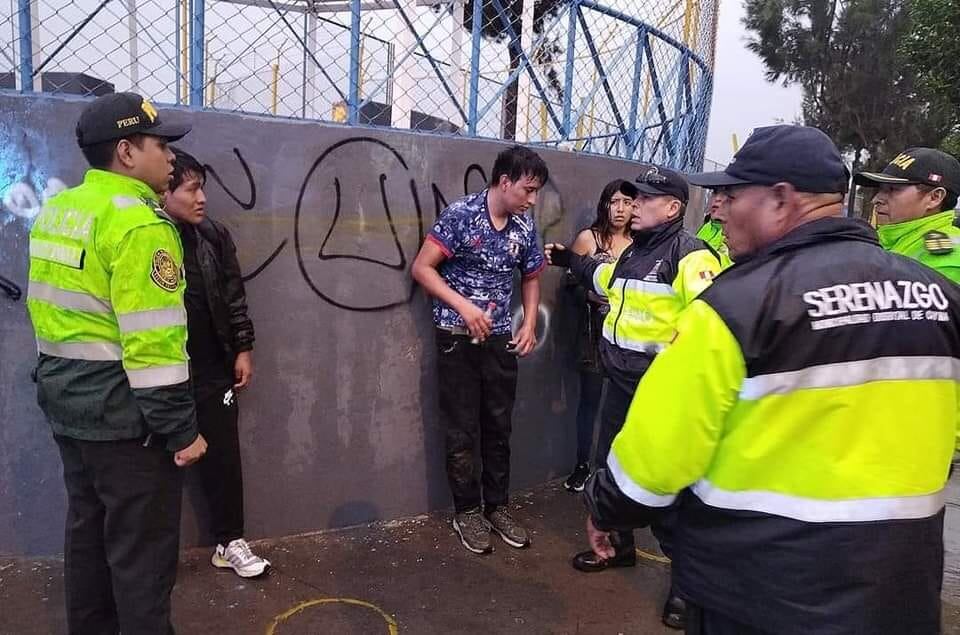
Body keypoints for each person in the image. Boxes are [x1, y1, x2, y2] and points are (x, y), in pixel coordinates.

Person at [583, 124, 960, 635]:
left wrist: (606, 508)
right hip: (897, 587)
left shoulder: (738, 303)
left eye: (732, 194)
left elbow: (658, 452)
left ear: (780, 199)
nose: (719, 208)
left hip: (761, 588)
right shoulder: (938, 295)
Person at [25, 92, 207, 634]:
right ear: (127, 152)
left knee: (88, 542)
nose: (171, 157)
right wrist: (181, 433)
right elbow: (154, 349)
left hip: (68, 409)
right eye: (161, 144)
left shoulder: (59, 209)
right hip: (126, 423)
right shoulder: (141, 226)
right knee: (142, 563)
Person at [546, 166, 721, 630]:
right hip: (619, 383)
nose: (633, 205)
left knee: (665, 485)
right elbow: (604, 279)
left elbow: (710, 325)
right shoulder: (634, 253)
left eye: (643, 199)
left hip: (659, 393)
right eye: (631, 198)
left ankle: (685, 587)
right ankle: (618, 546)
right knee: (610, 471)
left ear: (672, 208)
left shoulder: (691, 257)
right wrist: (570, 259)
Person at [411, 145, 547, 555]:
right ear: (504, 182)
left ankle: (498, 507)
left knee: (499, 426)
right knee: (462, 428)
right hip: (456, 337)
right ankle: (467, 511)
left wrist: (527, 321)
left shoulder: (524, 227)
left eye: (537, 191)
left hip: (500, 340)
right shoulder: (461, 216)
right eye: (527, 189)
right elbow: (422, 268)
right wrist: (464, 306)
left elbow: (532, 274)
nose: (532, 199)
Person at [163, 147, 270, 578]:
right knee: (156, 465)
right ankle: (153, 555)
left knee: (224, 457)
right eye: (191, 189)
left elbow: (233, 295)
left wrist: (243, 348)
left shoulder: (213, 235)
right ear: (164, 192)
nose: (201, 197)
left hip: (212, 367)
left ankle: (230, 542)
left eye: (201, 187)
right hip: (161, 371)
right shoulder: (146, 236)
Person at [562, 179, 636, 492]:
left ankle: (614, 472)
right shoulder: (588, 239)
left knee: (623, 407)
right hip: (594, 335)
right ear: (604, 204)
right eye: (614, 201)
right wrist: (589, 297)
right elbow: (568, 285)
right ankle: (583, 465)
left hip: (629, 337)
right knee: (590, 403)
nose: (620, 209)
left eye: (627, 203)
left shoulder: (641, 244)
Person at [854, 147, 960, 283]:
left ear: (934, 197)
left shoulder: (949, 259)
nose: (876, 199)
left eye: (893, 189)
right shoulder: (887, 239)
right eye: (881, 189)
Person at [696, 191, 732, 267]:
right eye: (715, 192)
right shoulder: (708, 225)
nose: (717, 199)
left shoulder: (740, 231)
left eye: (726, 192)